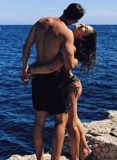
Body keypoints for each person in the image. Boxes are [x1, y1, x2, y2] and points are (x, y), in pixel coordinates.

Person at [21, 3, 85, 160]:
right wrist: (77, 58)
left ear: (64, 11)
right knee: (59, 122)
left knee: (39, 121)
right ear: (75, 20)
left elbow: (27, 46)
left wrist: (24, 69)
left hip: (38, 78)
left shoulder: (41, 22)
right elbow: (69, 64)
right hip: (56, 80)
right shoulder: (66, 33)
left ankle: (39, 158)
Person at [28, 23, 97, 160]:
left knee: (71, 124)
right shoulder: (68, 40)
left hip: (71, 85)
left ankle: (77, 156)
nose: (82, 25)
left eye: (85, 29)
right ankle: (84, 149)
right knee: (74, 121)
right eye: (85, 25)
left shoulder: (73, 47)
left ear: (82, 38)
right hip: (69, 83)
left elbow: (54, 66)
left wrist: (31, 70)